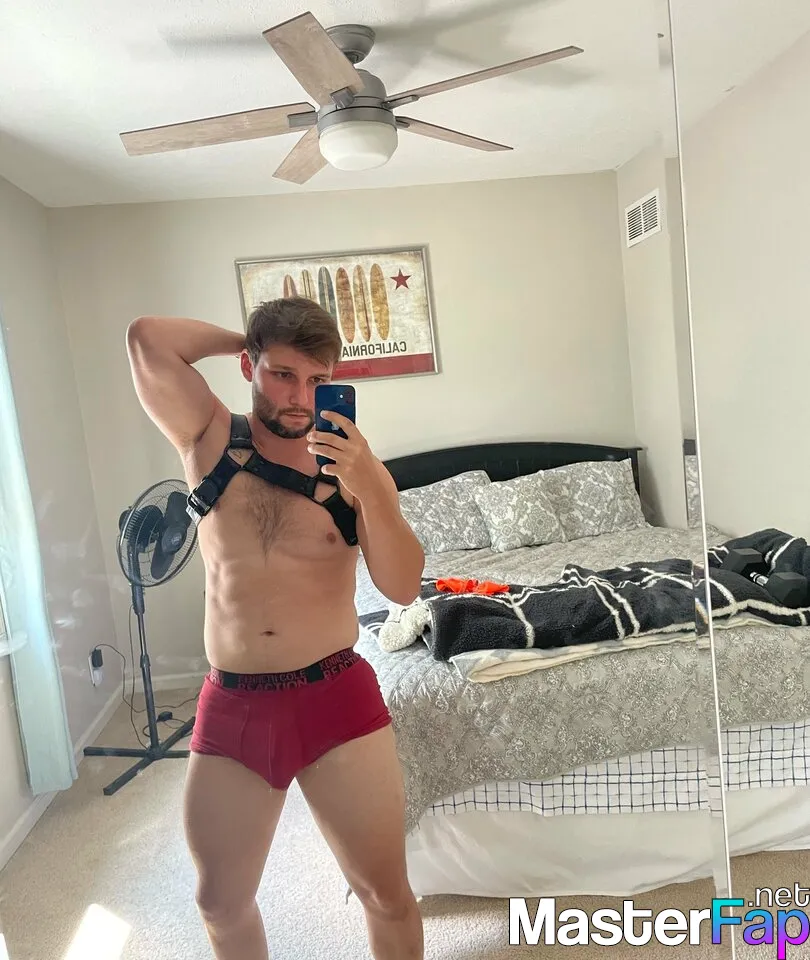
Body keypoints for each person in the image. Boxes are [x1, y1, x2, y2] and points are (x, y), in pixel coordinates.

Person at [125, 297, 426, 960]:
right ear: (249, 367)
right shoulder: (207, 434)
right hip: (234, 703)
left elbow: (403, 586)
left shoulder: (357, 470)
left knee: (386, 894)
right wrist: (252, 336)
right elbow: (147, 338)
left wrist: (370, 486)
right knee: (220, 903)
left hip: (335, 696)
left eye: (318, 380)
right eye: (283, 374)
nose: (300, 397)